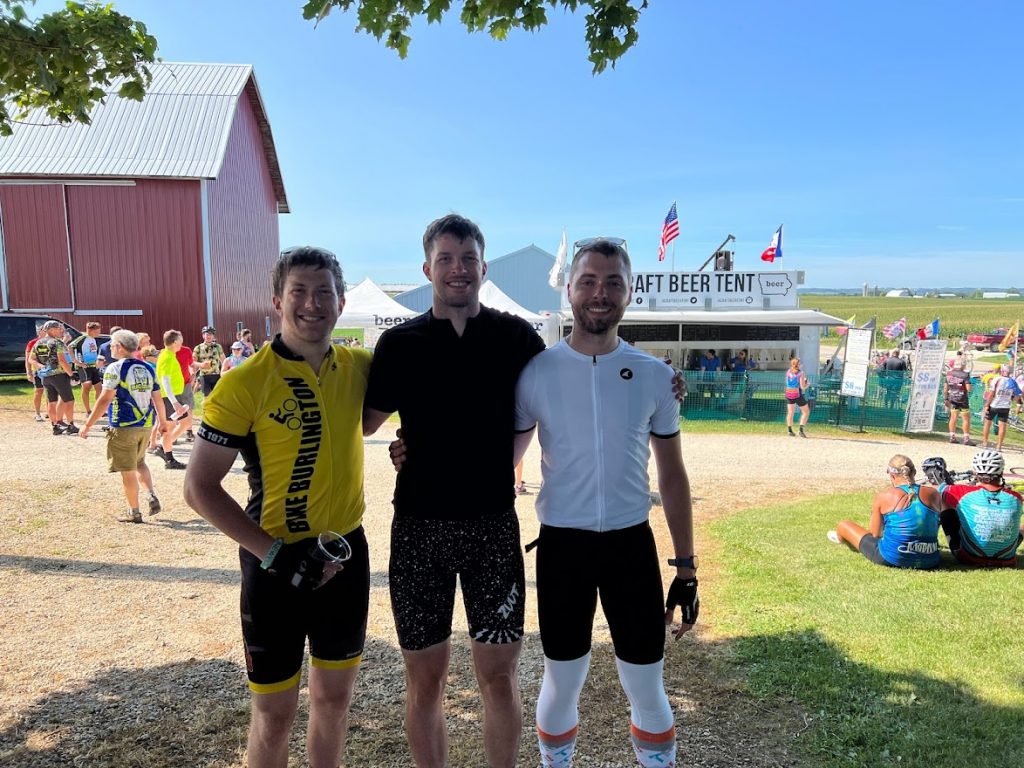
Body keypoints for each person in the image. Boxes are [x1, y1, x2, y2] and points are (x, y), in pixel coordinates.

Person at [362, 214, 547, 768]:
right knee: (425, 681)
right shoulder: (399, 344)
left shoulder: (516, 336)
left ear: (483, 266)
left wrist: (660, 376)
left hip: (493, 528)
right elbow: (365, 420)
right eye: (446, 259)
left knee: (497, 675)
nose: (458, 269)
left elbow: (558, 391)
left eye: (468, 258)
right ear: (427, 269)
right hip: (419, 529)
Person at [512, 237, 698, 768]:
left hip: (629, 546)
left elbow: (674, 475)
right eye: (589, 281)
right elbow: (500, 461)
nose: (600, 293)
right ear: (569, 288)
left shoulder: (657, 376)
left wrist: (686, 568)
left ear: (629, 292)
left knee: (646, 680)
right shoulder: (536, 373)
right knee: (561, 676)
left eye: (613, 282)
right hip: (562, 546)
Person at [183, 246, 372, 768]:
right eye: (299, 292)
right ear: (277, 300)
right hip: (274, 565)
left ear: (341, 301)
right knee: (274, 715)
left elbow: (389, 418)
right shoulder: (243, 382)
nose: (312, 304)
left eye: (324, 292)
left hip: (346, 556)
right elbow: (199, 488)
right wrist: (274, 555)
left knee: (334, 703)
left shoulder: (359, 367)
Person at [80, 329, 167, 523]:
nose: (110, 347)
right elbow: (158, 399)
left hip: (123, 424)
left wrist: (87, 424)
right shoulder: (148, 368)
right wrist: (162, 422)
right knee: (140, 462)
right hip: (145, 424)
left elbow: (104, 399)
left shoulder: (115, 368)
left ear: (119, 347)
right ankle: (150, 493)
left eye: (111, 344)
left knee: (127, 470)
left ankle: (133, 511)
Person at [827, 455, 941, 569]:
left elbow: (875, 534)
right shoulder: (934, 493)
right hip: (930, 559)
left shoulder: (885, 496)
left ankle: (842, 539)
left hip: (893, 557)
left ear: (892, 475)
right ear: (914, 472)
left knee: (843, 525)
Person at [939, 450, 1023, 567]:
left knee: (943, 505)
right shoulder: (1016, 497)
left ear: (975, 472)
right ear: (1002, 471)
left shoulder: (959, 491)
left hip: (967, 557)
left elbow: (939, 491)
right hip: (1007, 560)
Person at [30, 320, 79, 435]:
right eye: (58, 329)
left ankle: (55, 426)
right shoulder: (57, 343)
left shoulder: (38, 343)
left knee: (51, 401)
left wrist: (41, 366)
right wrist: (72, 374)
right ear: (51, 330)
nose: (61, 331)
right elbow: (62, 360)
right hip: (59, 375)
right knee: (69, 400)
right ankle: (71, 425)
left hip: (46, 376)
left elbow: (31, 359)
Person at [154, 330, 191, 469]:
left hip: (173, 396)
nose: (181, 343)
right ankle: (169, 459)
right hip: (169, 397)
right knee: (170, 428)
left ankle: (164, 449)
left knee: (185, 423)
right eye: (180, 340)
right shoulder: (167, 357)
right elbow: (165, 381)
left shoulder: (169, 354)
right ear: (175, 342)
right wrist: (174, 402)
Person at [980, 364, 1022, 451]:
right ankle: (999, 446)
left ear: (1002, 371)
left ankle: (985, 443)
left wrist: (986, 405)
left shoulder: (997, 379)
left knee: (987, 424)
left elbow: (991, 394)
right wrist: (1010, 397)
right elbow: (1017, 397)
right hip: (1005, 406)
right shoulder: (1013, 382)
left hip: (994, 404)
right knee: (1002, 426)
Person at [69, 321, 103, 418]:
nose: (98, 332)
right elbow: (70, 347)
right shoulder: (82, 338)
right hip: (84, 366)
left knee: (99, 387)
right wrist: (75, 361)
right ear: (91, 330)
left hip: (93, 366)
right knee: (87, 386)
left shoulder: (93, 339)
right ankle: (88, 410)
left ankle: (98, 409)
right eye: (97, 330)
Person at [943, 357, 973, 445]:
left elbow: (945, 388)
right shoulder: (965, 374)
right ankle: (966, 438)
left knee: (953, 418)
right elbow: (968, 388)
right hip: (963, 399)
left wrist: (946, 398)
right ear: (963, 365)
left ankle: (952, 436)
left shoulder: (949, 374)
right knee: (966, 419)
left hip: (952, 398)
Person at [193, 325, 225, 396]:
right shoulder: (198, 348)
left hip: (216, 375)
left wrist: (224, 372)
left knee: (216, 396)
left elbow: (224, 360)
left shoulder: (218, 347)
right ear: (203, 335)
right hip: (204, 376)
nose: (209, 336)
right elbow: (193, 362)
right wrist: (200, 365)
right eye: (207, 334)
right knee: (206, 397)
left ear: (213, 336)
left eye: (211, 334)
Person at [25, 324, 47, 422]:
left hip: (49, 371)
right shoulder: (32, 343)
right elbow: (28, 359)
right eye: (44, 330)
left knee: (50, 392)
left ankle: (49, 411)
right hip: (37, 371)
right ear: (39, 331)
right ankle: (37, 413)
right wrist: (29, 372)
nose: (46, 332)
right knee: (39, 391)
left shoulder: (50, 342)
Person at [784, 357, 810, 438]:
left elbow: (788, 382)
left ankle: (789, 430)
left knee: (790, 412)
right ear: (798, 365)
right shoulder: (801, 373)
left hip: (788, 393)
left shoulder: (788, 371)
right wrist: (807, 384)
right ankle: (801, 430)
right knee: (806, 411)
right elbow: (802, 387)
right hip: (797, 394)